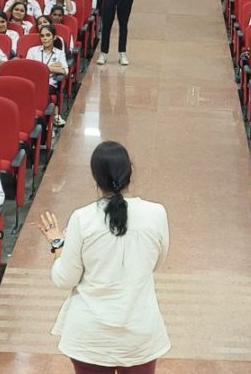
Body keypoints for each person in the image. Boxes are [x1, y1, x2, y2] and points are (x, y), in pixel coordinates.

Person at [37, 141, 170, 374]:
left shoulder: (82, 218)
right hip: (139, 334)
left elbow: (65, 279)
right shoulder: (157, 214)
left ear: (95, 177)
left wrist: (58, 243)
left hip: (90, 337)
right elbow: (156, 263)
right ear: (129, 170)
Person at [27, 25, 69, 126]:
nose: (44, 38)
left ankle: (48, 123)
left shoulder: (59, 53)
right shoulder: (32, 50)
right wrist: (51, 68)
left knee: (45, 90)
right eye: (42, 36)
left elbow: (65, 71)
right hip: (33, 82)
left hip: (50, 84)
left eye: (48, 35)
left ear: (54, 37)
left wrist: (41, 69)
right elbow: (28, 70)